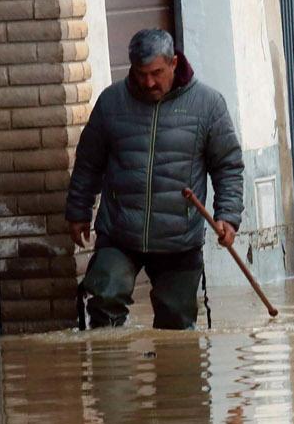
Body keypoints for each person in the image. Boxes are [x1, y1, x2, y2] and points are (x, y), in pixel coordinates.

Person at [66, 29, 246, 330]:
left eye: (156, 73)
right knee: (104, 301)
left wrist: (228, 215)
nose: (148, 82)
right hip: (120, 231)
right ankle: (109, 373)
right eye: (140, 74)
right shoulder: (112, 103)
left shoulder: (208, 105)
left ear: (174, 63)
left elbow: (228, 165)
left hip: (178, 237)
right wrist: (78, 210)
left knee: (176, 324)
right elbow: (88, 163)